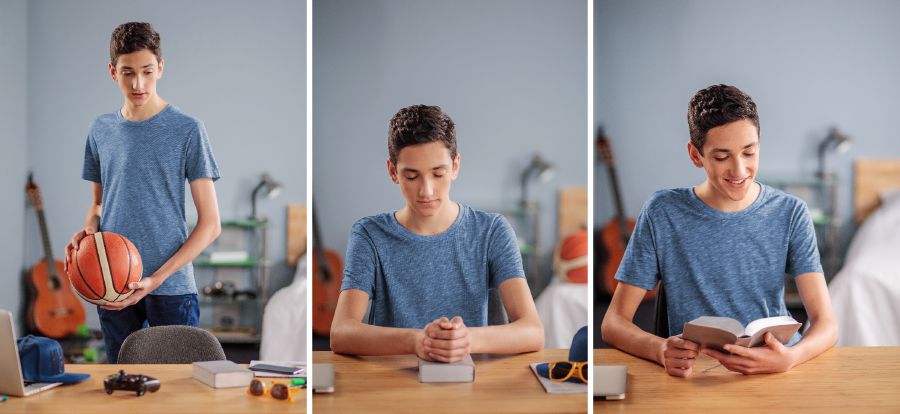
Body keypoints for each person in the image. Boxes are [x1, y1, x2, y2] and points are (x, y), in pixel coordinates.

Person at [600, 84, 837, 377]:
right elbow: (613, 323)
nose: (739, 170)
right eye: (722, 157)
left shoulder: (791, 212)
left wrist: (790, 358)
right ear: (695, 155)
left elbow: (827, 324)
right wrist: (659, 349)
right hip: (698, 373)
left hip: (775, 368)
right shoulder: (663, 212)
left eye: (749, 152)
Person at [330, 104, 544, 362]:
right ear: (393, 172)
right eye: (412, 176)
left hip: (477, 382)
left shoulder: (492, 231)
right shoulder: (369, 235)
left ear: (455, 166)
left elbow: (533, 331)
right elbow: (341, 332)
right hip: (394, 382)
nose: (426, 191)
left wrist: (467, 340)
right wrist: (417, 341)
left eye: (438, 174)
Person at [64, 22, 221, 363]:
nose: (138, 83)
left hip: (171, 287)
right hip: (112, 283)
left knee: (181, 386)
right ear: (112, 72)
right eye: (128, 73)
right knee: (122, 383)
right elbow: (98, 205)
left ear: (160, 68)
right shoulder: (100, 130)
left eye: (147, 71)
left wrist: (155, 279)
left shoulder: (188, 129)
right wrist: (87, 233)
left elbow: (211, 224)